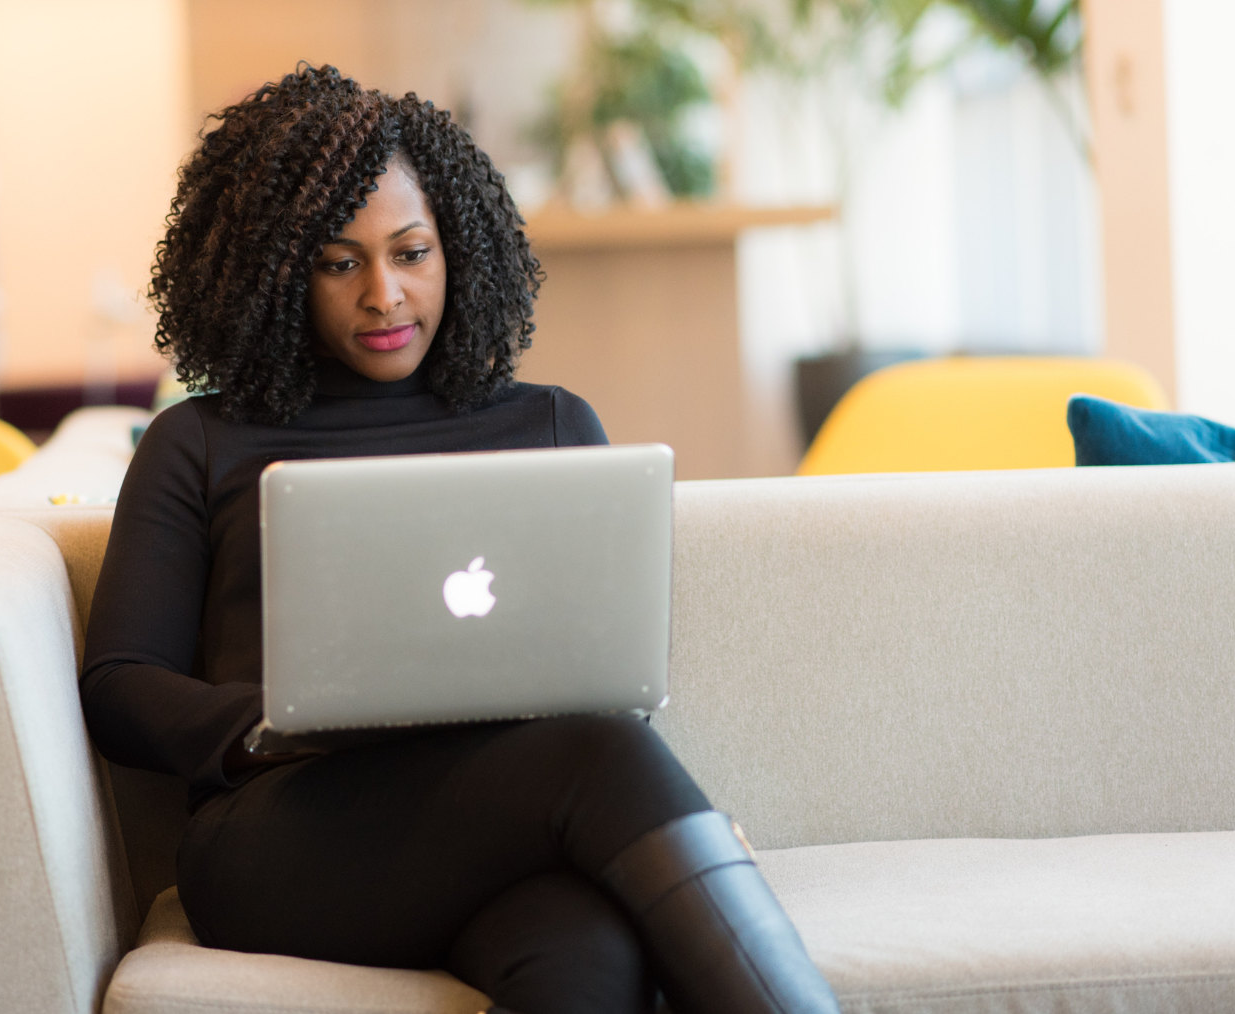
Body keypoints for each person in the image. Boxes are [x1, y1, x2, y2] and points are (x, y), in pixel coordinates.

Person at [81, 65, 840, 1014]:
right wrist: (267, 724)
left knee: (586, 950)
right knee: (601, 758)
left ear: (458, 251)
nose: (384, 294)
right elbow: (118, 688)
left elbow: (601, 659)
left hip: (506, 823)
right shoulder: (199, 440)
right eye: (339, 261)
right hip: (286, 836)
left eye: (411, 252)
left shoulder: (554, 424)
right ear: (277, 271)